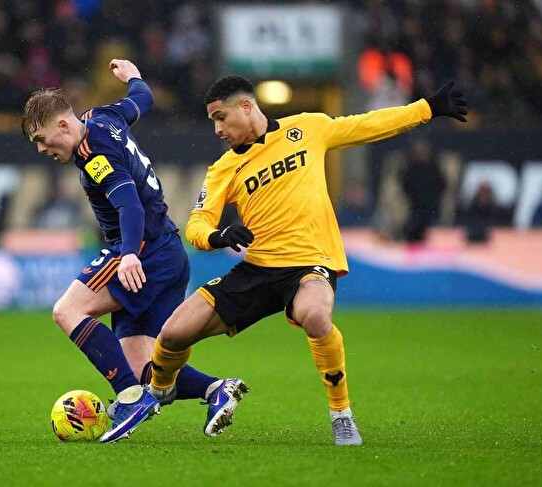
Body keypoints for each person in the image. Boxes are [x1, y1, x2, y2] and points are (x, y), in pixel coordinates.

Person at [145, 77, 467, 445]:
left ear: (246, 107)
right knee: (173, 333)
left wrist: (427, 109)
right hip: (258, 268)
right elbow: (196, 223)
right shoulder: (223, 168)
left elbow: (368, 125)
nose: (217, 129)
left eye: (221, 117)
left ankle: (341, 414)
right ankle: (158, 390)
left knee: (315, 316)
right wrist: (216, 236)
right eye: (212, 121)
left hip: (310, 263)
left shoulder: (307, 128)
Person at [21, 59, 232, 443]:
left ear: (64, 126)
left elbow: (129, 205)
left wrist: (130, 254)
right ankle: (215, 389)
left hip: (142, 250)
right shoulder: (103, 117)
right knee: (142, 368)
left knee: (67, 310)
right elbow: (141, 99)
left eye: (42, 138)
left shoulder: (93, 154)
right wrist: (134, 76)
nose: (40, 148)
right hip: (168, 251)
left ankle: (130, 400)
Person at [400, 138, 445, 243]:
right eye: (418, 152)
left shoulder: (433, 168)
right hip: (415, 208)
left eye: (422, 152)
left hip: (432, 208)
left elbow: (442, 185)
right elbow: (405, 186)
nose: (420, 155)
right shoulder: (411, 169)